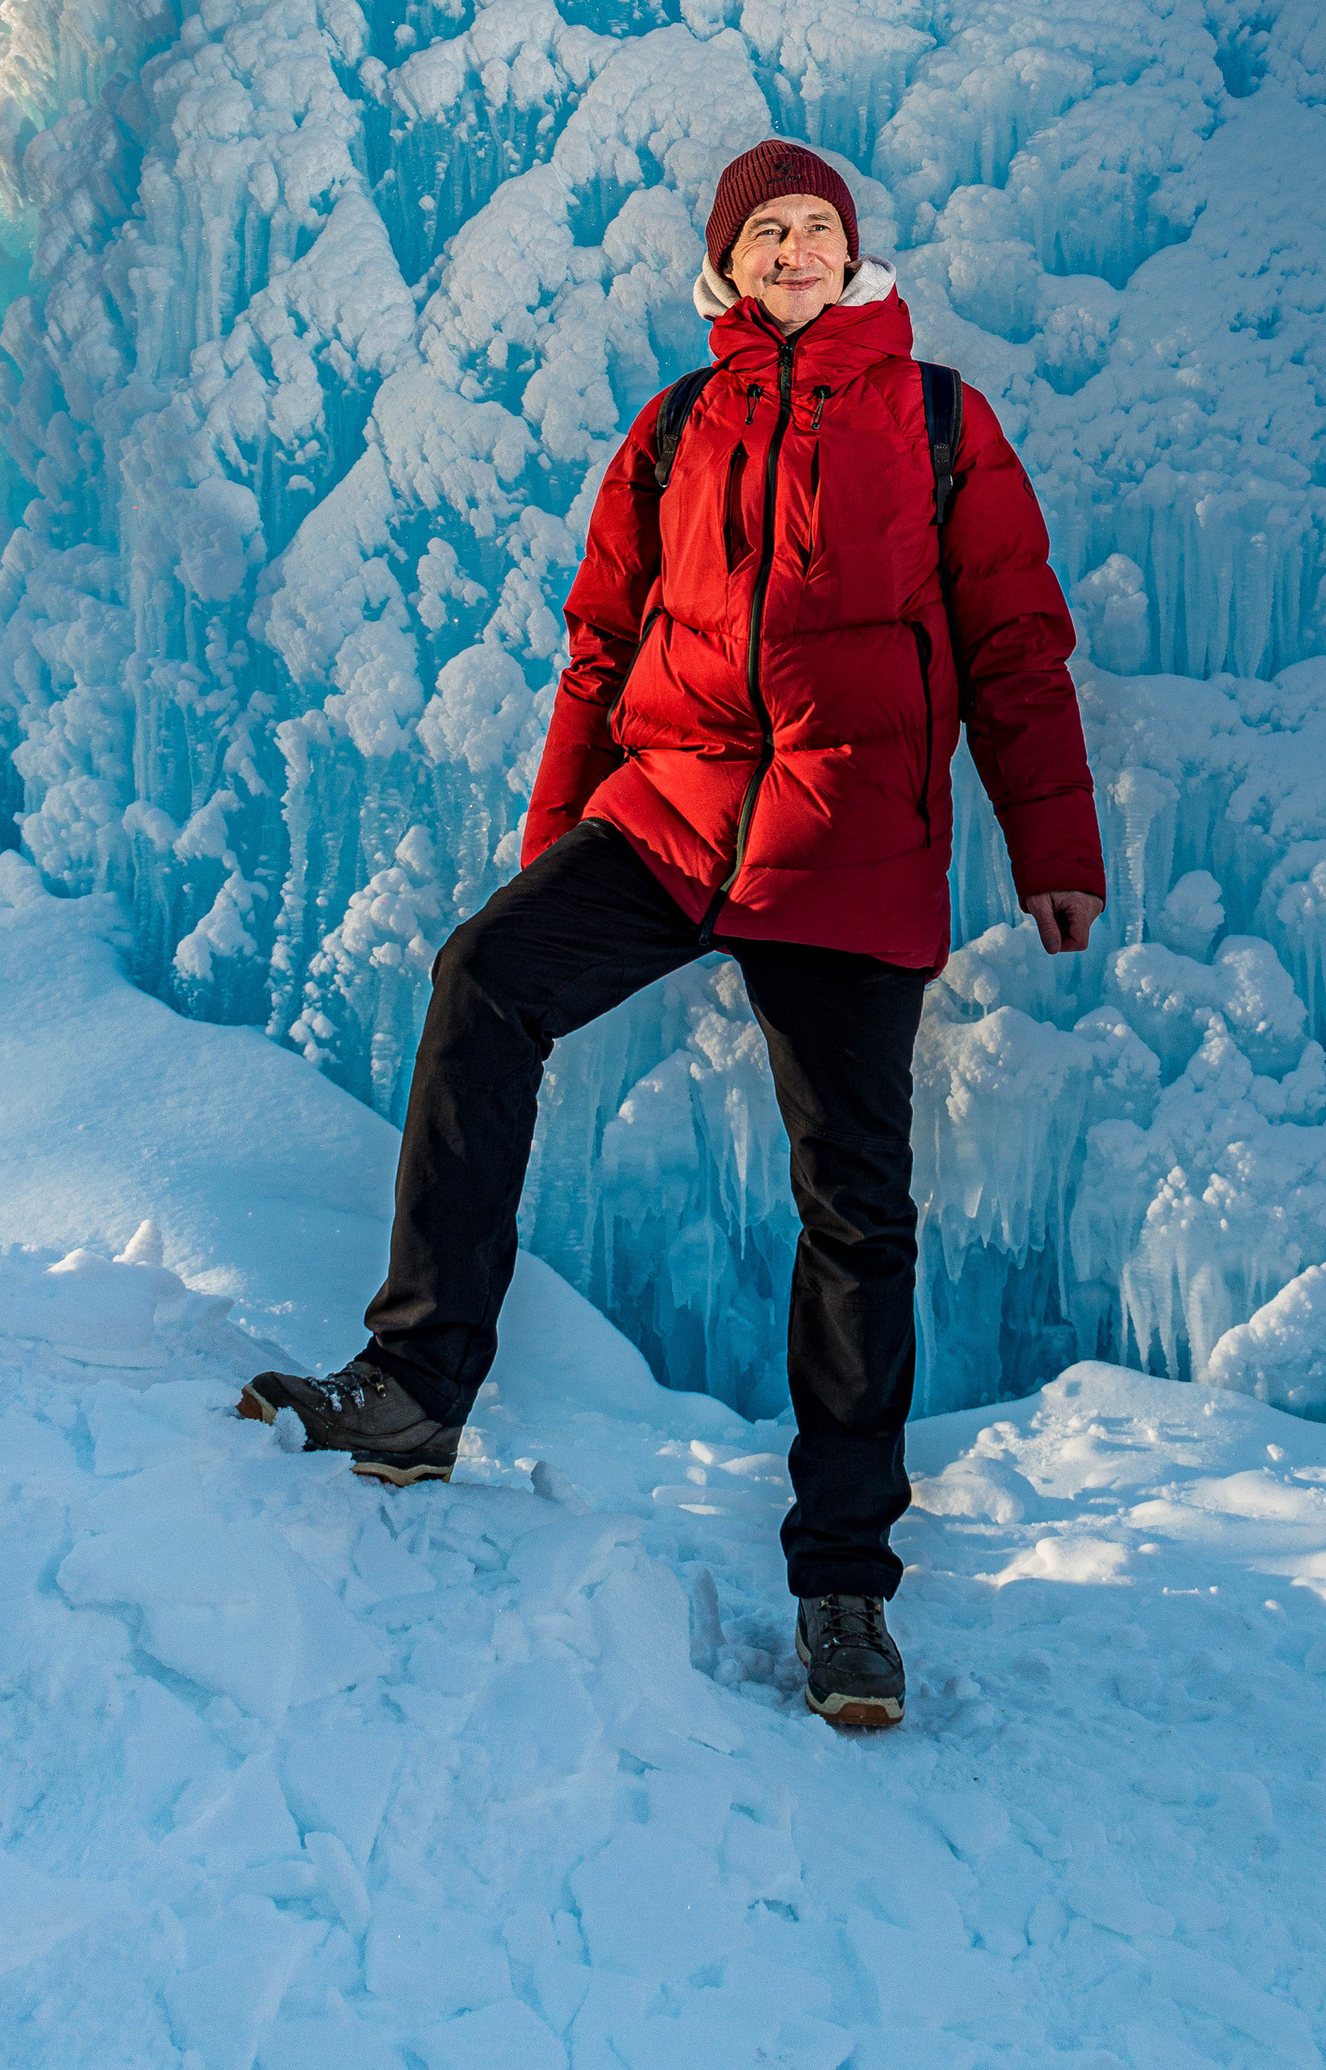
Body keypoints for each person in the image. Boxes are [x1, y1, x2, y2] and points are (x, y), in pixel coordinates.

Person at [241, 138, 1105, 1728]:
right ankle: (417, 1388)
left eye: (819, 229)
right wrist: (553, 843)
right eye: (767, 229)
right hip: (675, 813)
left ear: (858, 261)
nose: (795, 248)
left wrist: (1054, 841)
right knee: (486, 978)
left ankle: (845, 1588)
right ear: (727, 262)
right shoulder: (672, 431)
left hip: (850, 841)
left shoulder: (937, 421)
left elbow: (1013, 638)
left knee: (856, 1201)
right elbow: (599, 648)